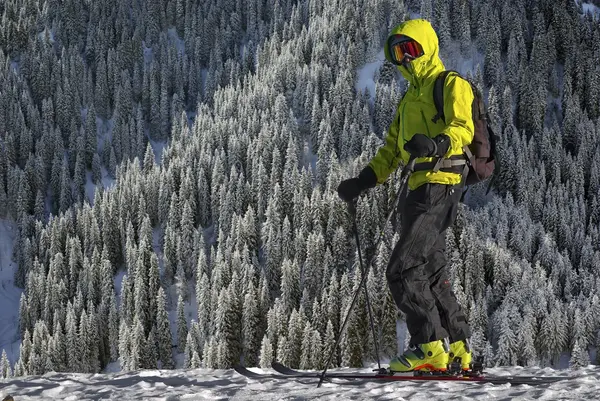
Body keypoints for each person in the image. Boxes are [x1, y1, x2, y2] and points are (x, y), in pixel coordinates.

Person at [337, 19, 472, 372]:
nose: (404, 58)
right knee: (430, 269)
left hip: (440, 183)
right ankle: (458, 347)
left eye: (409, 49)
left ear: (426, 47)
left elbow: (462, 127)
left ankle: (428, 348)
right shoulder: (408, 99)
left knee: (402, 269)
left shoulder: (450, 84)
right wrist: (364, 180)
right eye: (397, 52)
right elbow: (392, 151)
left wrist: (437, 143)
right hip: (416, 189)